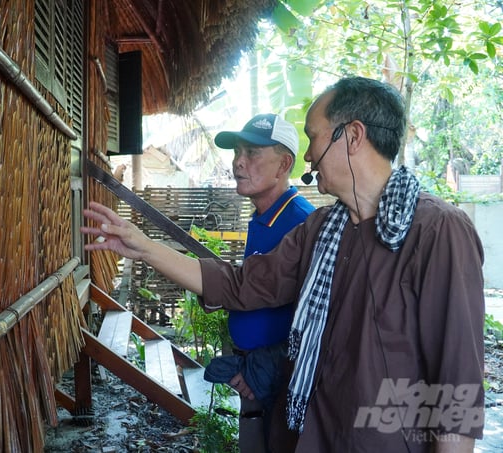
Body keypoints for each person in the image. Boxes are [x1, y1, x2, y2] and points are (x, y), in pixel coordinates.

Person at [81, 76, 485, 452]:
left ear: (354, 136)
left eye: (313, 137)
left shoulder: (437, 231)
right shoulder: (323, 229)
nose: (309, 155)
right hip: (309, 433)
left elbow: (456, 384)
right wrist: (141, 245)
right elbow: (240, 285)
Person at [205, 113, 315, 452]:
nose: (238, 162)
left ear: (284, 164)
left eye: (252, 153)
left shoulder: (301, 223)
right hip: (252, 378)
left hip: (278, 383)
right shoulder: (263, 217)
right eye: (237, 152)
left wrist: (266, 367)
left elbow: (317, 320)